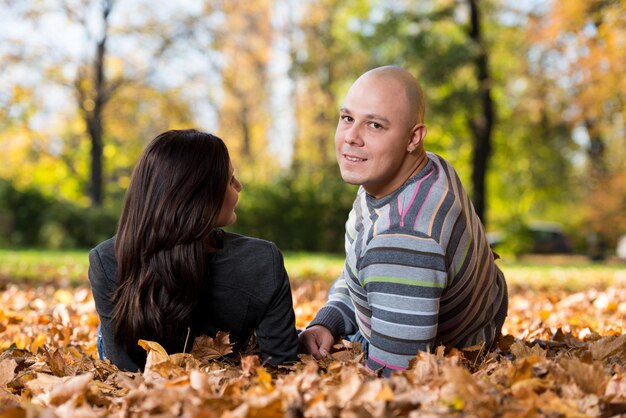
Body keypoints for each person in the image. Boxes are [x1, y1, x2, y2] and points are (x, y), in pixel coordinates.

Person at [298, 66, 508, 376]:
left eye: (375, 125)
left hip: (442, 349)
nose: (352, 137)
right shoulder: (425, 168)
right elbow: (361, 263)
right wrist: (330, 319)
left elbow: (395, 376)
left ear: (413, 138)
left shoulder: (402, 235)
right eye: (347, 118)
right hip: (477, 309)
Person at [88, 129, 299, 371]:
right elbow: (282, 362)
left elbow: (125, 370)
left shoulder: (106, 259)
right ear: (196, 196)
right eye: (230, 180)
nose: (239, 186)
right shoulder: (262, 259)